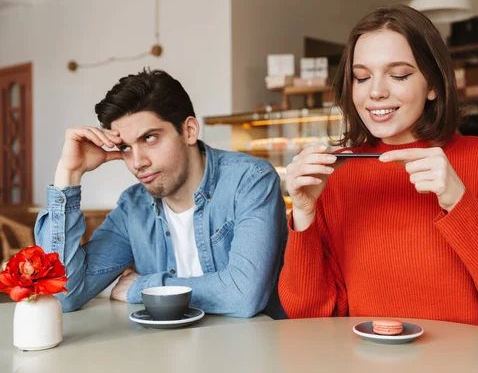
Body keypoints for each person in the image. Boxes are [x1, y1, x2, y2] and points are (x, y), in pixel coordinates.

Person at [278, 5, 478, 332]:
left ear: (433, 85)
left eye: (398, 75)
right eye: (362, 77)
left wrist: (458, 201)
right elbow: (308, 317)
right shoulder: (337, 173)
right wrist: (303, 212)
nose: (376, 91)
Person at [35, 69, 288, 318]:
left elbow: (244, 295)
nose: (137, 162)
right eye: (125, 147)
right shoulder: (133, 207)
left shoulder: (250, 180)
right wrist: (69, 173)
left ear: (189, 130)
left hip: (251, 352)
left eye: (150, 138)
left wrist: (143, 288)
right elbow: (64, 295)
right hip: (167, 353)